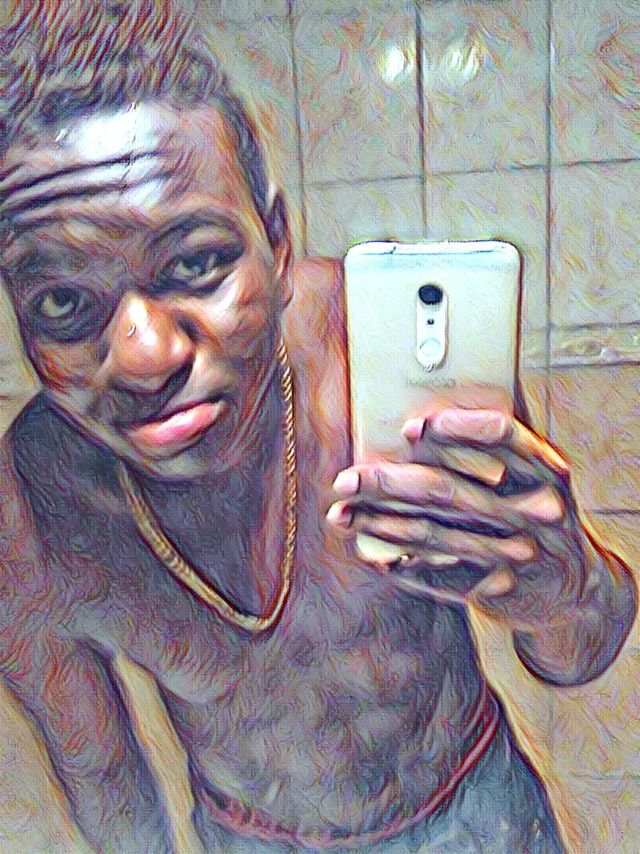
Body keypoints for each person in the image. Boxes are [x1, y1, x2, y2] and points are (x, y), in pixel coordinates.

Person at [0, 2, 635, 852]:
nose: (146, 355)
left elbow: (579, 653)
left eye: (195, 262)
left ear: (277, 243)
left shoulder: (372, 348)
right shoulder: (32, 509)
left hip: (474, 809)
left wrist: (567, 585)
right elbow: (101, 774)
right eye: (63, 303)